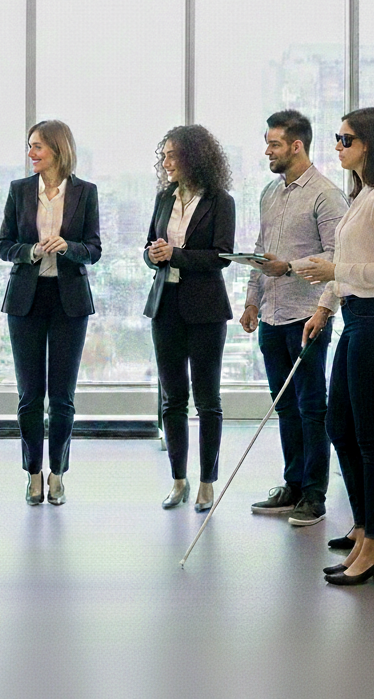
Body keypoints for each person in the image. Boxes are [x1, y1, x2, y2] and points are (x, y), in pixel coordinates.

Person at [298, 107, 374, 586]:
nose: (338, 146)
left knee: (368, 437)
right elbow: (346, 263)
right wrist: (324, 305)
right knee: (338, 425)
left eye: (346, 139)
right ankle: (365, 526)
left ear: (371, 143)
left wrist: (335, 275)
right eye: (337, 138)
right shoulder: (362, 195)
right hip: (354, 319)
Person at [239, 110, 348, 527]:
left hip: (308, 316)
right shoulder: (270, 192)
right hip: (272, 314)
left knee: (310, 408)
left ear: (297, 146)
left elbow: (339, 257)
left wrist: (292, 271)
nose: (268, 151)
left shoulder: (326, 194)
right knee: (284, 407)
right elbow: (261, 249)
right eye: (267, 143)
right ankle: (294, 483)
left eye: (274, 144)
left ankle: (315, 495)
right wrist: (252, 301)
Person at [0, 120, 101, 506]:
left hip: (69, 301)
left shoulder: (85, 193)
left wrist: (68, 247)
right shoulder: (19, 191)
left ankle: (58, 473)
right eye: (29, 146)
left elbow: (94, 248)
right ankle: (33, 474)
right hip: (26, 300)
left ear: (58, 149)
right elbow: (3, 245)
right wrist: (32, 251)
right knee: (29, 396)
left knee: (62, 397)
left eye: (37, 146)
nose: (31, 154)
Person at [144, 126, 235, 512]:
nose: (165, 163)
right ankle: (178, 480)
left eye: (172, 156)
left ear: (194, 157)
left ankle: (207, 482)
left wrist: (175, 255)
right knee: (172, 399)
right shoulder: (164, 198)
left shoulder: (220, 201)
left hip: (206, 310)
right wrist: (153, 255)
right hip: (165, 306)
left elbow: (221, 256)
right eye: (163, 155)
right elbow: (150, 247)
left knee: (207, 400)